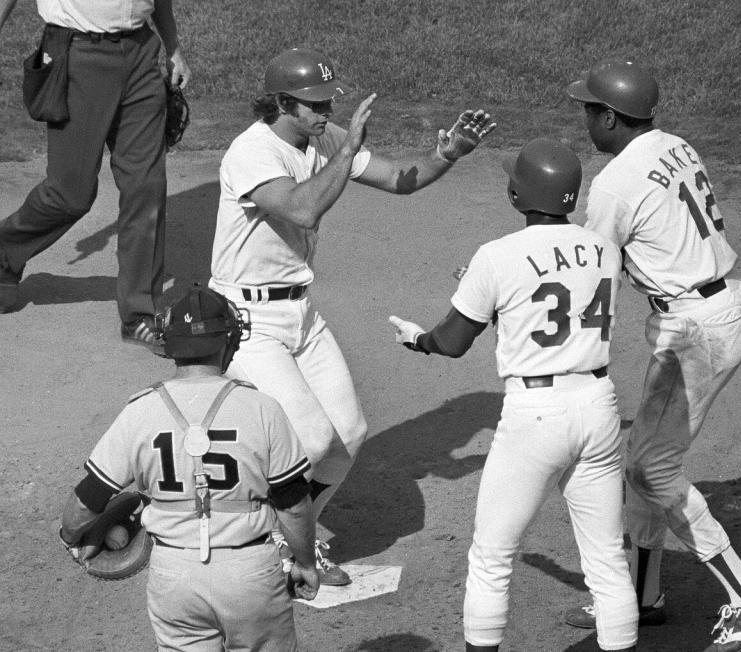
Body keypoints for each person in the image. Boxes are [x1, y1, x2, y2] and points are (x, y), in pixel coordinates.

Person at [209, 48, 496, 585]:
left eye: (328, 102)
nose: (324, 113)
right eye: (314, 105)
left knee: (349, 435)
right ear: (282, 103)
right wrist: (347, 151)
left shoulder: (324, 138)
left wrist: (449, 154)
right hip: (247, 320)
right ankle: (271, 539)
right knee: (312, 442)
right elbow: (301, 208)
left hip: (299, 310)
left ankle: (291, 536)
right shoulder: (251, 153)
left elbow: (399, 180)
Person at [562, 59, 741, 652]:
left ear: (610, 116)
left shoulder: (614, 184)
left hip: (696, 327)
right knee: (646, 459)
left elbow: (593, 272)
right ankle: (642, 595)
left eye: (588, 109)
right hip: (724, 302)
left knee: (650, 468)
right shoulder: (673, 145)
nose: (584, 118)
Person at [389, 138, 639, 652]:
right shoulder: (605, 249)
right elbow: (554, 300)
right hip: (597, 406)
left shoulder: (497, 256)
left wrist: (419, 340)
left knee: (491, 555)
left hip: (536, 416)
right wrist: (500, 296)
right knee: (608, 559)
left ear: (516, 193)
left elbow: (454, 342)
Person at [59, 285, 320, 651]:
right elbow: (293, 505)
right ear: (228, 342)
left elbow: (87, 499)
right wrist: (305, 562)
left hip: (174, 577)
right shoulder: (262, 409)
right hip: (250, 574)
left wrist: (71, 537)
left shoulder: (139, 412)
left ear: (171, 345)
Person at [0, 0, 189, 354]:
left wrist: (173, 48)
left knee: (146, 186)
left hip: (142, 54)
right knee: (69, 194)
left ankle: (140, 315)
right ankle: (5, 251)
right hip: (76, 54)